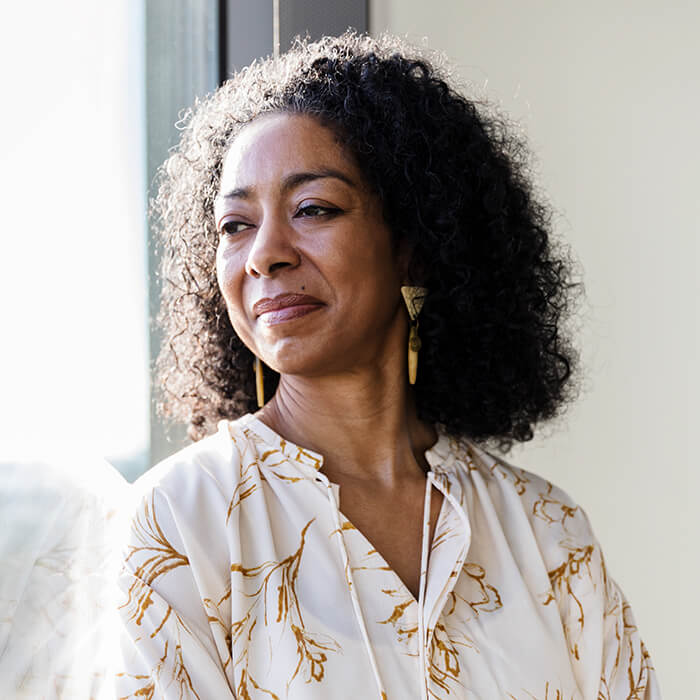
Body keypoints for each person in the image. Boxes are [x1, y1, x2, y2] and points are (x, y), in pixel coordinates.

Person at [116, 31, 661, 699]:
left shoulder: (548, 534)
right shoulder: (179, 522)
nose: (265, 254)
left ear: (415, 246)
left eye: (313, 209)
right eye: (235, 226)